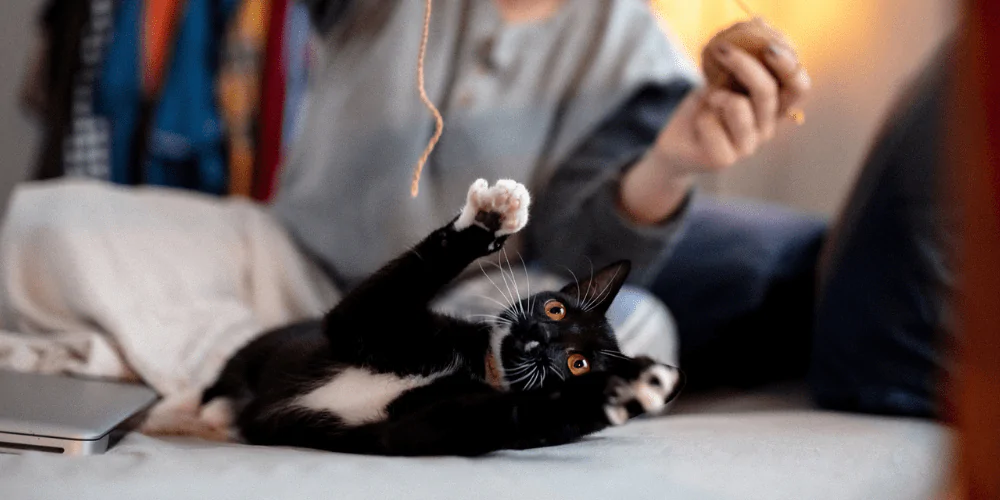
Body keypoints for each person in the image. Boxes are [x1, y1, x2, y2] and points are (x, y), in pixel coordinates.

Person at [2, 0, 810, 399]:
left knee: (631, 327)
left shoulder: (642, 58)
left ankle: (289, 375)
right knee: (52, 222)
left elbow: (576, 247)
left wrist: (672, 159)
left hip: (450, 320)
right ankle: (308, 376)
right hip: (282, 270)